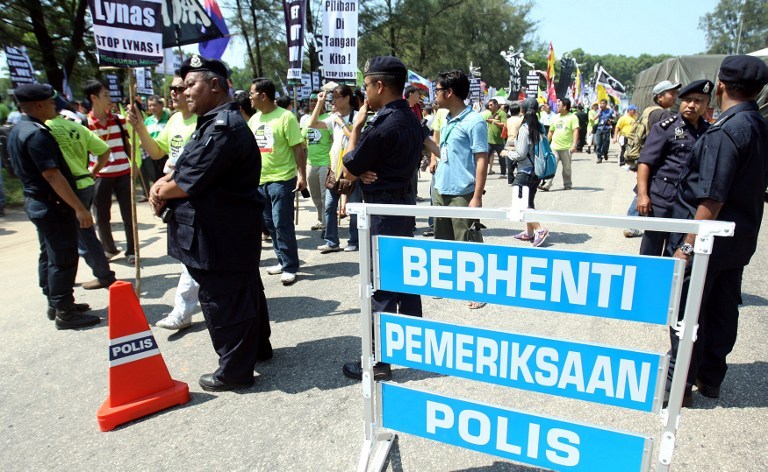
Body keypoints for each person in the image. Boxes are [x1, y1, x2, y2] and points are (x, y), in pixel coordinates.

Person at [149, 55, 272, 392]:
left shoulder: (222, 128)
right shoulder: (212, 123)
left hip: (219, 233)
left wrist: (162, 190)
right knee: (243, 291)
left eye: (191, 85)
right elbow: (182, 168)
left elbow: (189, 182)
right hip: (223, 230)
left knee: (224, 299)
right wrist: (163, 184)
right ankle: (257, 349)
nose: (184, 92)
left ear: (214, 85)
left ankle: (234, 371)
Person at [667, 55, 768, 407]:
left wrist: (687, 247)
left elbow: (712, 196)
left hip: (708, 239)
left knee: (686, 311)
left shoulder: (726, 130)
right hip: (737, 240)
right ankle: (710, 377)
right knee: (722, 308)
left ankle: (677, 386)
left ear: (721, 85)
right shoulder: (757, 123)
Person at [340, 56, 423, 381]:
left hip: (382, 216)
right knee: (403, 281)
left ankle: (378, 362)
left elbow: (350, 166)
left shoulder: (383, 124)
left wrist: (356, 129)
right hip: (402, 210)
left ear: (379, 85)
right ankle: (413, 345)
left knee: (382, 287)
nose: (365, 92)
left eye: (366, 85)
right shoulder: (410, 119)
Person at [7, 84, 100, 329]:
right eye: (50, 102)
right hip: (52, 205)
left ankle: (56, 302)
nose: (54, 106)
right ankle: (65, 313)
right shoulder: (37, 133)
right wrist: (79, 208)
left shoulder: (19, 129)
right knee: (62, 257)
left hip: (38, 202)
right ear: (38, 105)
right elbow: (52, 175)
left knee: (49, 254)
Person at [127, 75, 200, 330]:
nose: (174, 92)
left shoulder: (203, 121)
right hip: (176, 196)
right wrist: (139, 129)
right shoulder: (174, 120)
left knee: (191, 258)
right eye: (171, 88)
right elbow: (159, 152)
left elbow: (192, 169)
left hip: (194, 197)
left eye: (179, 88)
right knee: (190, 258)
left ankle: (182, 310)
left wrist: (163, 186)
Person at [428, 69, 488, 309]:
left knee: (468, 242)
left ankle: (477, 290)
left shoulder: (474, 121)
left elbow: (481, 159)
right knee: (442, 241)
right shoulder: (447, 119)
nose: (435, 94)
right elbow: (444, 155)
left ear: (450, 92)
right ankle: (445, 283)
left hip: (462, 193)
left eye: (438, 89)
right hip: (440, 190)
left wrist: (476, 196)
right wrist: (425, 141)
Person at [46, 97, 117, 291]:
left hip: (66, 187)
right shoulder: (76, 127)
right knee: (84, 233)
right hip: (85, 182)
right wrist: (92, 172)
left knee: (81, 236)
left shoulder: (45, 128)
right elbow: (104, 150)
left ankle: (104, 275)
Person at [635, 81, 712, 256]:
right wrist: (643, 195)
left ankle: (671, 283)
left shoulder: (709, 131)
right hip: (662, 198)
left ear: (707, 105)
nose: (691, 105)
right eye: (687, 100)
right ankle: (648, 282)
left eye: (698, 101)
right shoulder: (666, 128)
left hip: (689, 201)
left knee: (677, 248)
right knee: (651, 249)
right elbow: (645, 162)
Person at [249, 78, 307, 285]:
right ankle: (282, 260)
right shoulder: (254, 120)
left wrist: (302, 176)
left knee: (282, 223)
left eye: (252, 94)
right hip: (260, 181)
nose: (250, 98)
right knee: (270, 224)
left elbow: (297, 147)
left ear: (263, 95)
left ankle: (291, 266)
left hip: (282, 179)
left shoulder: (286, 117)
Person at [84, 80, 136, 265]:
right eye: (105, 95)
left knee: (129, 214)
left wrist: (134, 164)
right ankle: (108, 248)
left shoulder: (118, 120)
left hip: (123, 171)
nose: (109, 99)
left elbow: (127, 144)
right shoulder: (85, 123)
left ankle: (132, 251)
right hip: (100, 175)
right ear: (93, 98)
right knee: (102, 215)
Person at [306, 85, 362, 253]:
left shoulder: (358, 116)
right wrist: (320, 102)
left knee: (353, 207)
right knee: (330, 205)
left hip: (351, 168)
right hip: (334, 168)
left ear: (346, 98)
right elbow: (312, 123)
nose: (333, 101)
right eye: (332, 98)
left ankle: (354, 240)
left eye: (336, 97)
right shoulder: (332, 117)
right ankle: (331, 241)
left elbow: (354, 137)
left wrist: (341, 122)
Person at [510, 98, 549, 247]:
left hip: (525, 171)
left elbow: (520, 153)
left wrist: (507, 153)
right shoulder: (539, 126)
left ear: (522, 111)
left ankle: (539, 229)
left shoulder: (525, 128)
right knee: (529, 201)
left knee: (520, 203)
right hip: (537, 169)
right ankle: (529, 232)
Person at [299, 91, 332, 231]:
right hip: (311, 163)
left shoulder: (329, 118)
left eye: (315, 100)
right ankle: (320, 219)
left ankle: (327, 223)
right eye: (311, 101)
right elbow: (302, 140)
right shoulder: (306, 120)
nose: (313, 103)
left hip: (326, 162)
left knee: (325, 196)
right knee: (315, 196)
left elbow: (334, 139)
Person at [541, 98, 578, 191]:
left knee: (567, 168)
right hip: (554, 147)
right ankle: (546, 185)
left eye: (559, 105)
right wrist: (545, 143)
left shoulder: (572, 117)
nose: (557, 107)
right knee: (551, 166)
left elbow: (575, 131)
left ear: (565, 107)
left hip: (567, 147)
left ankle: (567, 184)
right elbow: (551, 131)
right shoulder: (555, 117)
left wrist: (574, 145)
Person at [141, 95, 171, 185]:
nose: (152, 108)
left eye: (154, 105)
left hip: (166, 154)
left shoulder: (169, 118)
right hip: (152, 155)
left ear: (161, 105)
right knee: (156, 178)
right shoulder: (147, 121)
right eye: (150, 106)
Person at [482, 98, 507, 176]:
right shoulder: (490, 114)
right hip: (490, 140)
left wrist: (493, 121)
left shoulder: (502, 113)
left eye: (491, 105)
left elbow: (504, 124)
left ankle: (503, 173)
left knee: (501, 158)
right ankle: (482, 173)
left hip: (499, 140)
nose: (489, 106)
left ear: (496, 105)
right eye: (489, 105)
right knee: (485, 158)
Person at [593, 99, 614, 163]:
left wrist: (611, 121)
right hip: (599, 128)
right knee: (598, 143)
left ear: (606, 104)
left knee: (606, 143)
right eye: (601, 103)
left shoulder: (610, 111)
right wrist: (599, 112)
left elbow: (614, 118)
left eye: (603, 103)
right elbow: (594, 118)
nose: (602, 105)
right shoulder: (598, 111)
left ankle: (605, 152)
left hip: (606, 129)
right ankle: (599, 157)